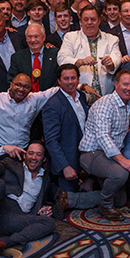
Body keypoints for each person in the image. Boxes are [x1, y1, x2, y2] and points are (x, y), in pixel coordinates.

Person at [0, 142, 56, 258]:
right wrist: (2, 151)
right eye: (31, 153)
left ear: (43, 159)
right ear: (24, 155)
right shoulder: (10, 165)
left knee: (49, 223)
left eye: (38, 155)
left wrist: (46, 209)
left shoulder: (45, 179)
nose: (34, 157)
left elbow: (51, 200)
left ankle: (2, 243)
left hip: (14, 217)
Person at [76, 69, 130, 221]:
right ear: (116, 84)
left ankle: (69, 199)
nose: (128, 88)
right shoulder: (106, 104)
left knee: (119, 200)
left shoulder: (127, 104)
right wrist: (123, 160)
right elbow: (103, 137)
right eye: (125, 84)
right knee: (120, 174)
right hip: (92, 153)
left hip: (107, 155)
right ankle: (104, 205)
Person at [41, 64, 90, 192]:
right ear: (59, 81)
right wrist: (65, 166)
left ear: (78, 79)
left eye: (73, 78)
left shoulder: (82, 97)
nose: (70, 82)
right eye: (66, 78)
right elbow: (51, 140)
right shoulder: (52, 105)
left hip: (84, 159)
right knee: (68, 201)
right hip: (67, 166)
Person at [57, 4, 122, 96]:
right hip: (79, 93)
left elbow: (117, 57)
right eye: (86, 19)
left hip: (105, 95)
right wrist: (80, 62)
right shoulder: (70, 37)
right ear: (81, 21)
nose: (89, 22)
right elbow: (62, 59)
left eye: (93, 19)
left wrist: (110, 63)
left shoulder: (112, 39)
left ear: (99, 21)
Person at [8, 23, 58, 93]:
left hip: (50, 98)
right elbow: (12, 81)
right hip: (25, 99)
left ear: (43, 37)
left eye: (36, 36)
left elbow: (59, 79)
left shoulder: (55, 54)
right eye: (30, 37)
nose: (33, 40)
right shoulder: (17, 57)